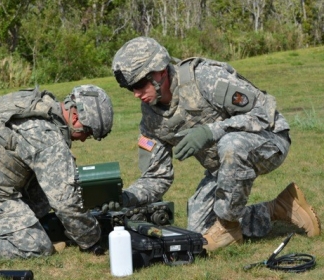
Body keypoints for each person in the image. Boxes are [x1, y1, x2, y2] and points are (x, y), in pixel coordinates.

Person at [111, 36, 321, 251]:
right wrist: (127, 197)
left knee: (231, 144)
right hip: (223, 166)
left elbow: (264, 112)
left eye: (139, 84)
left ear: (160, 71)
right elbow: (156, 175)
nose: (136, 94)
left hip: (269, 141)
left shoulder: (204, 77)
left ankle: (228, 227)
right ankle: (281, 208)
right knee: (198, 233)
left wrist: (211, 131)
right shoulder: (151, 118)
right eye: (130, 88)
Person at [0, 84, 114, 260]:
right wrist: (91, 237)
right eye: (88, 133)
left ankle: (21, 228)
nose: (83, 140)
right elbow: (64, 202)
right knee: (36, 247)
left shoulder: (44, 107)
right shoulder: (48, 137)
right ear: (75, 116)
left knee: (47, 201)